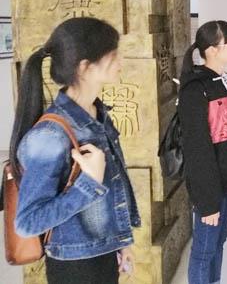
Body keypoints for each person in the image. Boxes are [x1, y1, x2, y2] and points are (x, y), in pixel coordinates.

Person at [9, 17, 140, 284]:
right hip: (75, 267)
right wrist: (88, 185)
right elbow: (27, 223)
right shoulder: (50, 136)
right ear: (84, 67)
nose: (120, 62)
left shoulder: (96, 114)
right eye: (113, 55)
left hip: (102, 254)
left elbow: (113, 189)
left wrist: (121, 242)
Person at [178, 20, 227, 284]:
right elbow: (197, 150)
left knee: (218, 242)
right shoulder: (195, 88)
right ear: (211, 50)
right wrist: (207, 202)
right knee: (204, 251)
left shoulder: (222, 81)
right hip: (210, 185)